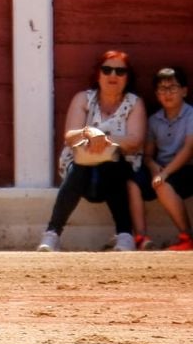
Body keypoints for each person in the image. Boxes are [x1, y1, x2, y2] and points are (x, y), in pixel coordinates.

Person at [38, 50, 145, 253]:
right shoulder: (83, 99)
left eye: (120, 72)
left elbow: (135, 141)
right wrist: (89, 132)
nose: (113, 75)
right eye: (107, 70)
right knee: (81, 166)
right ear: (98, 74)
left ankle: (124, 235)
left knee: (111, 164)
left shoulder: (134, 103)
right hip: (81, 172)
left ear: (127, 77)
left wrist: (102, 140)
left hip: (118, 171)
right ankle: (52, 234)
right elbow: (70, 136)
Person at [131, 67, 193, 251]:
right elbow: (148, 155)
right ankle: (141, 237)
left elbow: (189, 149)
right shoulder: (154, 120)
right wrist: (153, 167)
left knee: (162, 185)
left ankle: (187, 237)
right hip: (162, 168)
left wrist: (164, 174)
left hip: (186, 169)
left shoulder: (191, 115)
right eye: (162, 89)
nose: (167, 94)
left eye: (172, 88)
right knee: (132, 181)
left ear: (184, 91)